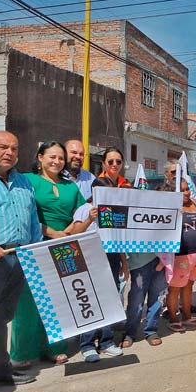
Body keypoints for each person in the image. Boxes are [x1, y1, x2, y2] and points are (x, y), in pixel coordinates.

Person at [10, 141, 91, 369]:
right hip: (35, 245)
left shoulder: (71, 187)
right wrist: (50, 231)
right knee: (29, 300)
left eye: (60, 158)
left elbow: (79, 218)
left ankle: (54, 347)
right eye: (52, 157)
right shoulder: (27, 180)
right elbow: (23, 210)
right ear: (40, 157)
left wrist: (83, 223)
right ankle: (22, 351)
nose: (57, 161)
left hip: (64, 247)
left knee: (58, 299)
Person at [0, 132, 41, 392]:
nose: (9, 152)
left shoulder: (22, 181)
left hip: (18, 258)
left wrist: (36, 249)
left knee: (1, 319)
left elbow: (33, 222)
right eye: (3, 147)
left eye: (14, 148)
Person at [79, 149, 130, 362]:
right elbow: (72, 233)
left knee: (108, 299)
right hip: (88, 258)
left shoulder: (114, 212)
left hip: (110, 258)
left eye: (119, 161)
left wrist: (123, 263)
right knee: (90, 301)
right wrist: (89, 219)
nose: (115, 164)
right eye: (111, 161)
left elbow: (117, 238)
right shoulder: (84, 209)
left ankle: (107, 341)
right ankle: (87, 344)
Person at [165, 178, 196, 333]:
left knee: (189, 285)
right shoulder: (171, 207)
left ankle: (187, 316)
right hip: (181, 254)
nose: (186, 193)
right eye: (181, 190)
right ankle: (173, 318)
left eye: (187, 189)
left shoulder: (195, 203)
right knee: (175, 287)